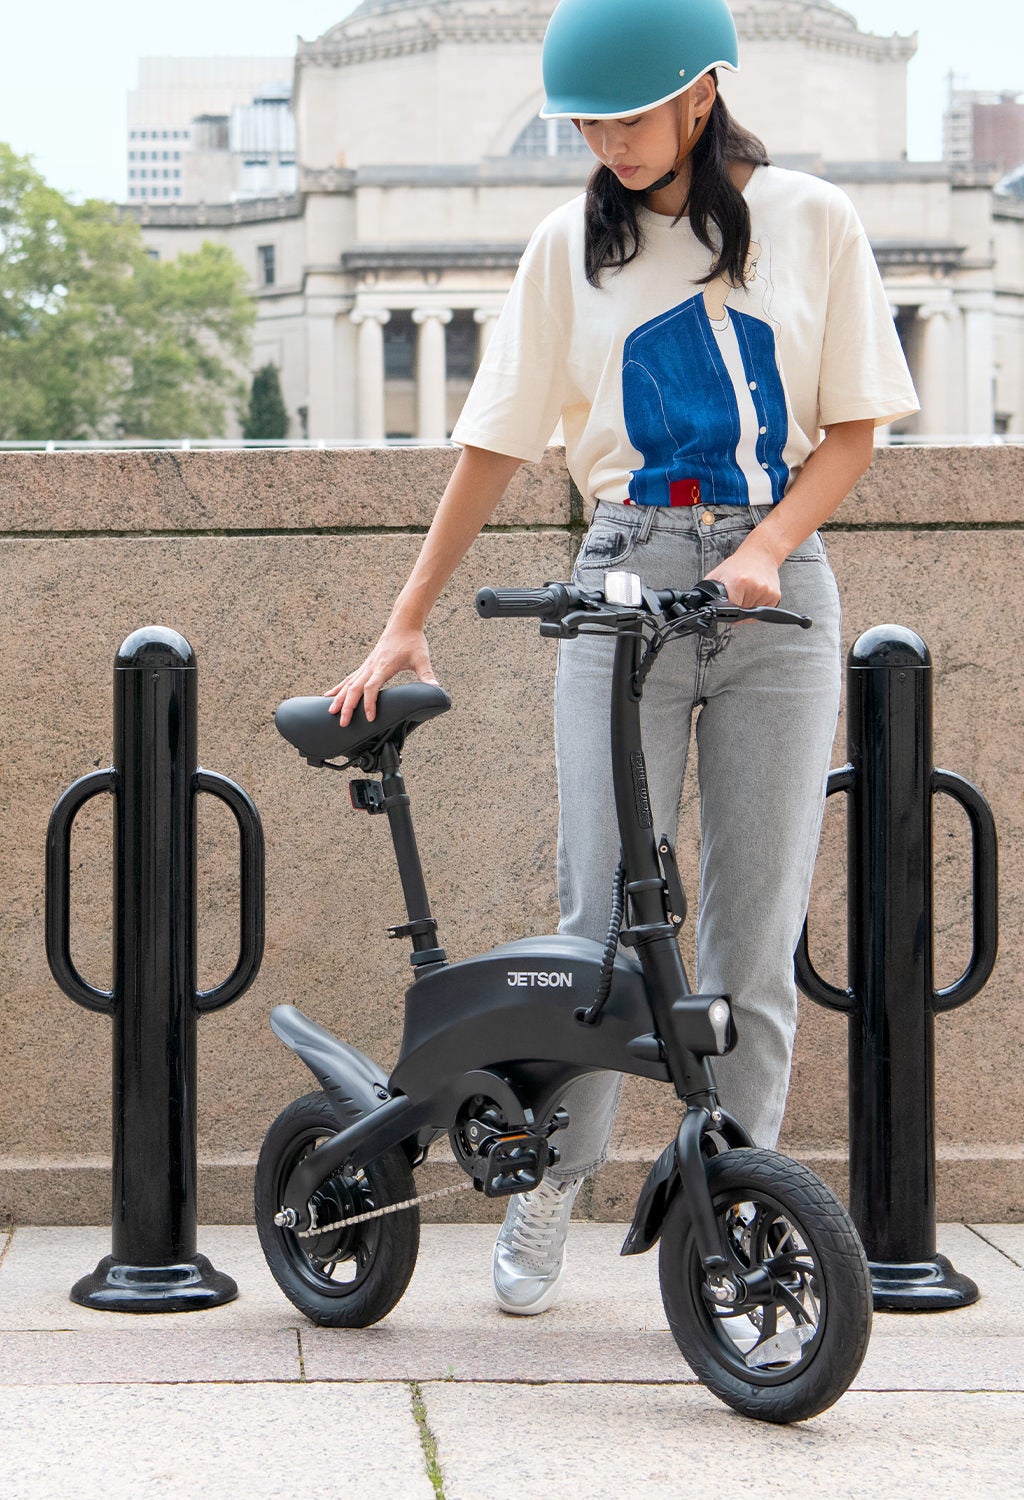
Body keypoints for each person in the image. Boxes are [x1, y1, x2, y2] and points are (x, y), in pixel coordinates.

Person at [327, 0, 919, 1316]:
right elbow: (493, 439)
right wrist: (405, 615)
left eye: (629, 115)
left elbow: (856, 428)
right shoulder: (568, 248)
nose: (607, 141)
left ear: (701, 97)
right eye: (586, 121)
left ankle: (737, 1224)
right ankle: (551, 1189)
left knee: (751, 942)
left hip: (779, 593)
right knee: (600, 926)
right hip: (620, 569)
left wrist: (766, 548)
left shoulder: (811, 221)